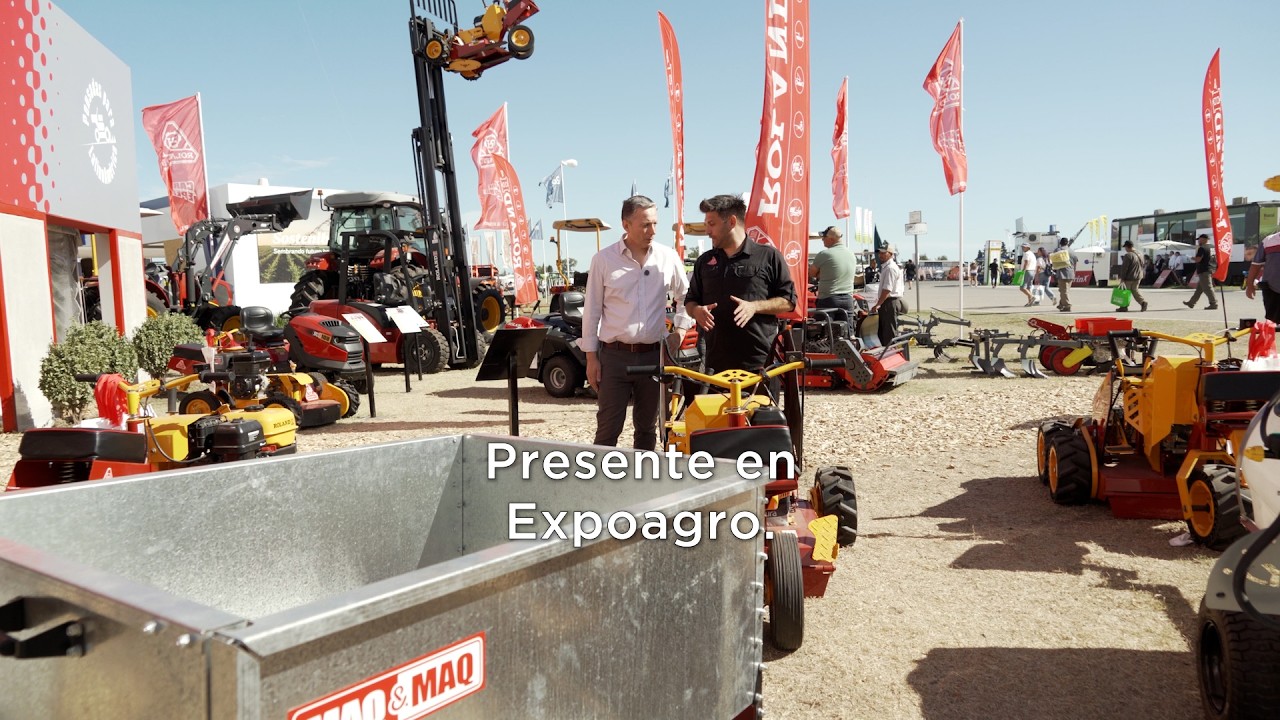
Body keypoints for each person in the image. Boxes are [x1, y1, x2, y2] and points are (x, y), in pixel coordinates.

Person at [582, 195, 692, 450]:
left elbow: (686, 296)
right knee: (608, 429)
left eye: (655, 223)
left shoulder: (667, 256)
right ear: (626, 225)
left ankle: (643, 475)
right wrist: (591, 358)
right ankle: (599, 475)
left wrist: (680, 330)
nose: (652, 231)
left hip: (654, 357)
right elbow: (592, 310)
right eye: (645, 225)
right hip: (614, 358)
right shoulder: (603, 260)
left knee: (647, 429)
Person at [685, 194, 796, 375]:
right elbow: (691, 301)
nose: (707, 231)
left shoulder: (769, 256)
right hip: (715, 366)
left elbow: (789, 301)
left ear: (731, 221)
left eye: (711, 224)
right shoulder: (704, 261)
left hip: (760, 365)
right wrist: (696, 311)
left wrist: (754, 307)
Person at [809, 225, 855, 312]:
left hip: (828, 299)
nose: (822, 239)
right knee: (847, 321)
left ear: (831, 239)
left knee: (824, 321)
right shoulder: (851, 254)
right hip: (848, 299)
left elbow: (811, 273)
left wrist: (822, 274)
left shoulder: (824, 254)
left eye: (824, 237)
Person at [871, 243, 906, 347]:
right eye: (879, 253)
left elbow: (887, 289)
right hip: (888, 302)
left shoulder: (890, 268)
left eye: (883, 253)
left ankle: (890, 352)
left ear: (890, 254)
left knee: (888, 333)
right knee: (885, 331)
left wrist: (878, 304)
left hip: (889, 302)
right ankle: (888, 351)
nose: (880, 255)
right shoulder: (887, 267)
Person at [1246, 230, 1280, 324]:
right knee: (1273, 322)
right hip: (1272, 290)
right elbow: (1256, 265)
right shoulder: (1268, 241)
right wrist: (1250, 285)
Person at [1184, 234, 1219, 310]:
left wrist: (1191, 257)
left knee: (1208, 288)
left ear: (1203, 239)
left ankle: (1213, 303)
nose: (1198, 241)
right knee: (1199, 288)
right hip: (1210, 268)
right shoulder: (1211, 247)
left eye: (1199, 240)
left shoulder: (1202, 248)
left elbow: (1198, 259)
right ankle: (1191, 302)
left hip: (1204, 270)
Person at [1117, 240, 1149, 312]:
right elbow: (1143, 264)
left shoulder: (1128, 255)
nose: (1125, 249)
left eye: (1125, 247)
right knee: (1135, 290)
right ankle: (1143, 302)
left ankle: (1124, 306)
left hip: (1130, 276)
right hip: (1138, 276)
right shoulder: (1140, 254)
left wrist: (1122, 278)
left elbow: (1124, 268)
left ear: (1127, 247)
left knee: (1125, 292)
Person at [1051, 238, 1077, 312]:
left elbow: (1053, 260)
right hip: (1071, 272)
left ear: (1060, 243)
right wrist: (1074, 272)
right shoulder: (1072, 251)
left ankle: (1067, 305)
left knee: (1063, 291)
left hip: (1062, 273)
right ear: (1067, 243)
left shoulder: (1058, 250)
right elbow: (1075, 262)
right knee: (1065, 290)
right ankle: (1061, 304)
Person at [1018, 242, 1037, 306]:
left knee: (1022, 287)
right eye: (1022, 247)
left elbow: (1026, 262)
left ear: (1028, 247)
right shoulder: (1032, 254)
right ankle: (1030, 302)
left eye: (1024, 247)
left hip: (1027, 271)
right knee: (1028, 287)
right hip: (1032, 271)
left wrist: (1023, 271)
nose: (1022, 248)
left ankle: (1032, 296)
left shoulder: (1026, 254)